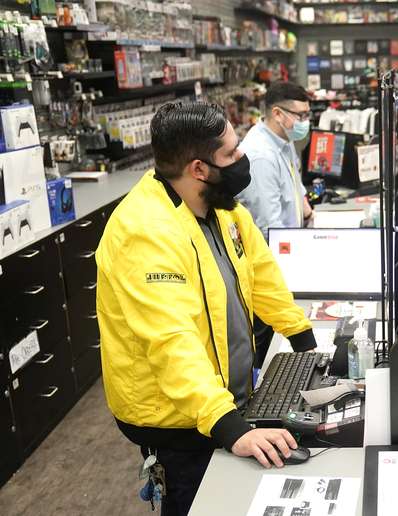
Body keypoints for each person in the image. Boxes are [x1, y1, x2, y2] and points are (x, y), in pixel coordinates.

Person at [96, 102, 318, 516]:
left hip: (220, 403)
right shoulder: (145, 233)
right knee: (197, 502)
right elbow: (170, 342)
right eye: (232, 154)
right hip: (177, 419)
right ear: (199, 168)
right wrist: (229, 426)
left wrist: (302, 337)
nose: (243, 159)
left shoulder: (220, 205)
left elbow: (261, 272)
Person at [237, 81, 314, 239]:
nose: (306, 121)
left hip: (293, 238)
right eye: (301, 115)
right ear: (278, 114)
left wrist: (309, 216)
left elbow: (295, 183)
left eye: (308, 114)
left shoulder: (284, 137)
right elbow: (269, 229)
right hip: (278, 251)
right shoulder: (261, 157)